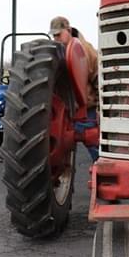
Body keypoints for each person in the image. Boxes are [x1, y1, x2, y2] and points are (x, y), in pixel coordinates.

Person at [49, 16, 99, 161]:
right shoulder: (58, 54)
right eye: (53, 36)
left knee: (94, 146)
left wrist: (100, 111)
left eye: (58, 34)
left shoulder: (86, 50)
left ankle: (102, 171)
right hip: (67, 113)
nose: (56, 39)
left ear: (68, 30)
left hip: (86, 111)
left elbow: (99, 80)